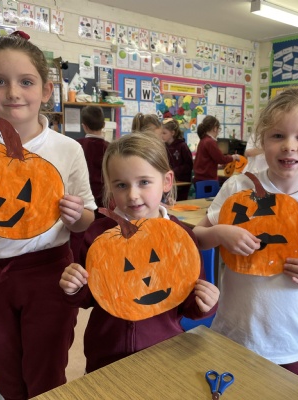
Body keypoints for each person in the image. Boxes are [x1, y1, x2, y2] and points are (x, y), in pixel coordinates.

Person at [193, 86, 298, 383]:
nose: (289, 146)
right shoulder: (238, 187)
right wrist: (220, 233)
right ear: (262, 140)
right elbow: (197, 237)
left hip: (292, 343)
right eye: (278, 135)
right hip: (234, 334)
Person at [0, 32, 96, 399]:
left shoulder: (67, 150)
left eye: (26, 81)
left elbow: (88, 218)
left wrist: (76, 215)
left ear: (46, 90)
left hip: (48, 273)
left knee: (45, 371)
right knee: (2, 366)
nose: (12, 92)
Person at [59, 132, 219, 373]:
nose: (132, 195)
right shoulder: (98, 235)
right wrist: (74, 288)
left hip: (164, 353)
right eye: (121, 185)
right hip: (106, 354)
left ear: (166, 181)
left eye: (144, 182)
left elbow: (189, 302)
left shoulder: (181, 238)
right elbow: (88, 297)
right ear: (110, 187)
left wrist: (205, 303)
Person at [70, 106, 109, 262]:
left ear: (83, 126)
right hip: (105, 202)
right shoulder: (110, 148)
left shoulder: (75, 146)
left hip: (81, 204)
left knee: (80, 239)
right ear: (103, 125)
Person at [193, 115, 240, 183]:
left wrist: (218, 165)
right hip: (207, 180)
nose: (218, 132)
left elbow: (209, 161)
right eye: (219, 129)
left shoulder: (204, 140)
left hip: (200, 179)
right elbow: (221, 159)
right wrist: (234, 157)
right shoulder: (210, 142)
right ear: (215, 128)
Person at [161, 118, 193, 200]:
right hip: (169, 181)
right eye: (161, 133)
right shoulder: (163, 147)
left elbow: (189, 165)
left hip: (182, 182)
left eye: (164, 133)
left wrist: (174, 171)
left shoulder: (182, 146)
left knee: (179, 203)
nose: (162, 136)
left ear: (172, 133)